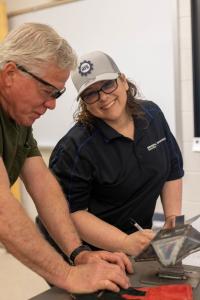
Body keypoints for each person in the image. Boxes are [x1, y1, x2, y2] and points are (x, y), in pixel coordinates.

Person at [0, 25, 134, 294]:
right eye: (48, 91)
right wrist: (67, 274)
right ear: (11, 74)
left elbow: (43, 185)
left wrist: (78, 253)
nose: (52, 105)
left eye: (58, 94)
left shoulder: (18, 117)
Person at [37, 50, 183, 258]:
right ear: (84, 102)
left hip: (136, 241)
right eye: (90, 93)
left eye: (107, 85)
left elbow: (172, 170)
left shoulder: (152, 115)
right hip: (84, 251)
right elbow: (70, 213)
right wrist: (123, 242)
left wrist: (173, 218)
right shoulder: (74, 148)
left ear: (123, 80)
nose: (103, 98)